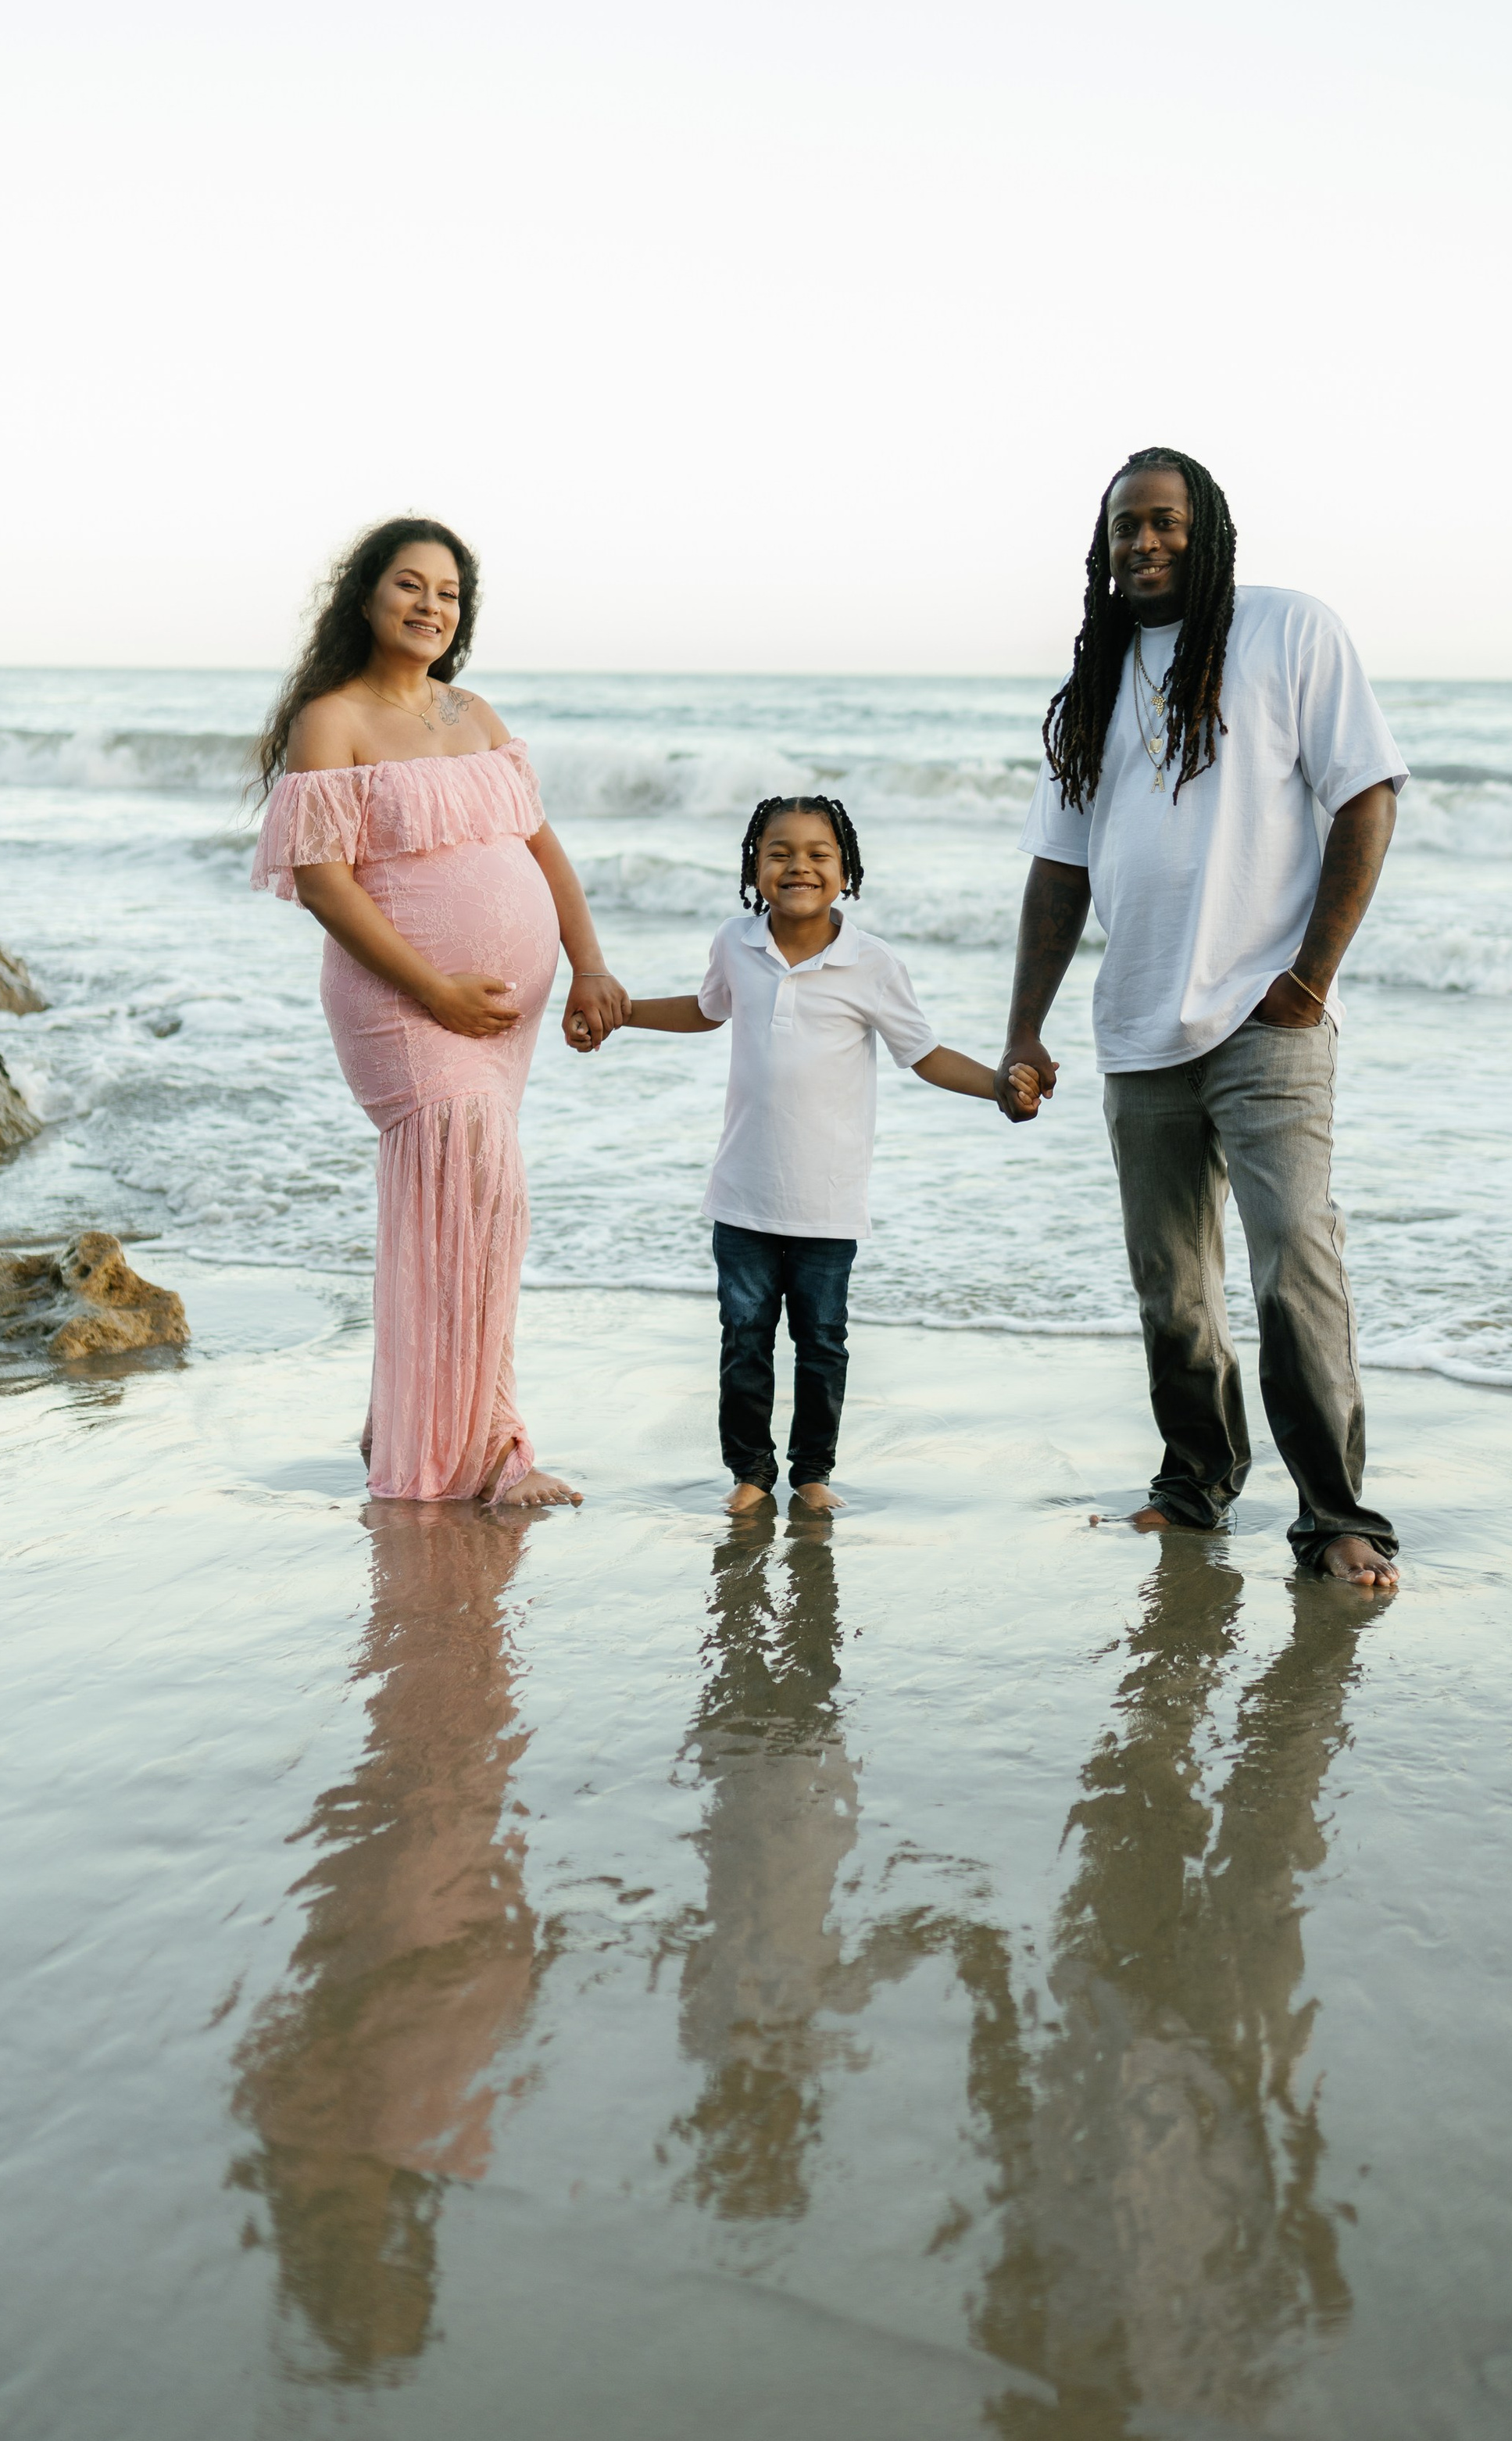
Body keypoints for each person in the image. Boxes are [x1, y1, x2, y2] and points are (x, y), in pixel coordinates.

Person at [998, 449, 1406, 1587]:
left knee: (1293, 1270)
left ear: (1210, 528)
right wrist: (1025, 1029)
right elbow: (1057, 872)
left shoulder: (1287, 632)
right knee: (1171, 1289)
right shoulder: (1092, 686)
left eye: (1167, 522)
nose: (1146, 544)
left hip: (1269, 1021)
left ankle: (1337, 1520)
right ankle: (1194, 1488)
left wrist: (1311, 979)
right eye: (1126, 527)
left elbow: (1367, 794)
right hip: (1137, 1030)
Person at [252, 516, 628, 1505]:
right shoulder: (331, 719)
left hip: (500, 1024)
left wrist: (587, 965)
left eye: (449, 593)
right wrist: (435, 987)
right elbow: (326, 884)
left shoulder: (476, 713)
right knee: (479, 1208)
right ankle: (476, 1455)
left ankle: (427, 1428)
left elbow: (543, 852)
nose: (430, 605)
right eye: (409, 585)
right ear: (365, 599)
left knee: (468, 1219)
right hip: (405, 1007)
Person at [584, 794, 1037, 1514]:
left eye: (819, 854)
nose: (799, 866)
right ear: (754, 867)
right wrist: (622, 1014)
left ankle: (813, 1473)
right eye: (780, 852)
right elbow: (707, 1010)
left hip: (828, 1199)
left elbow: (922, 1055)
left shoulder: (873, 963)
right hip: (742, 1194)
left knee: (823, 1343)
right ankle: (750, 1475)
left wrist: (998, 1089)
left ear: (847, 870)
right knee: (744, 1339)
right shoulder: (735, 943)